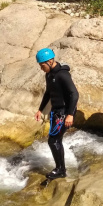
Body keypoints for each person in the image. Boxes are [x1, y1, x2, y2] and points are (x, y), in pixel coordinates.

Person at [35, 48, 79, 179]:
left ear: (49, 61)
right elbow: (48, 93)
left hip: (65, 112)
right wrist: (40, 109)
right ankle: (60, 168)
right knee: (54, 140)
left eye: (42, 65)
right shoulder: (49, 75)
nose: (41, 68)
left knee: (53, 141)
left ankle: (61, 170)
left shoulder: (62, 74)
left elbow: (74, 94)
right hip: (57, 111)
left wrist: (70, 114)